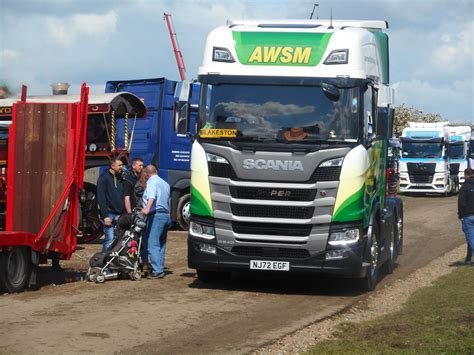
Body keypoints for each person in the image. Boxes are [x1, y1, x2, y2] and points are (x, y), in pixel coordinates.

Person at [141, 165, 171, 279]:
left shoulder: (151, 182)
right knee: (161, 243)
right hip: (166, 215)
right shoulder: (165, 183)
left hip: (156, 215)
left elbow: (151, 196)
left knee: (152, 243)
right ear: (156, 171)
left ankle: (157, 270)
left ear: (147, 174)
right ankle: (160, 267)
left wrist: (146, 209)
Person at [96, 158, 125, 252]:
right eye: (119, 165)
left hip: (118, 213)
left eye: (122, 165)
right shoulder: (103, 178)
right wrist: (105, 216)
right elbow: (101, 197)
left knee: (118, 239)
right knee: (110, 238)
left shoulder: (120, 178)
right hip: (109, 213)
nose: (122, 167)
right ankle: (104, 262)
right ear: (112, 166)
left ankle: (112, 262)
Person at [458, 168, 474, 265]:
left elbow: (461, 204)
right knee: (470, 239)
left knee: (471, 239)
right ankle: (468, 259)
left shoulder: (464, 187)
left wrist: (460, 216)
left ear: (465, 175)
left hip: (468, 216)